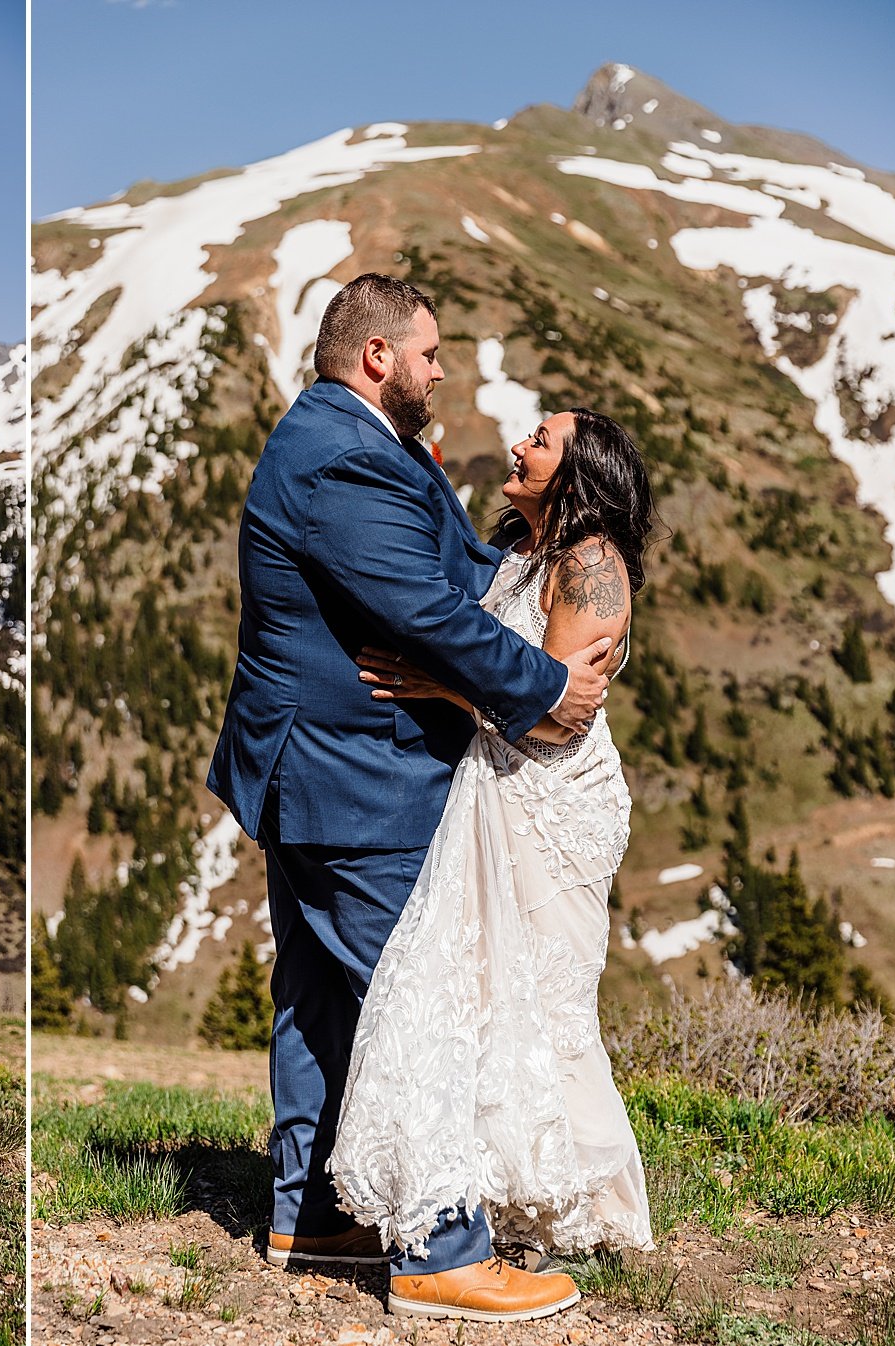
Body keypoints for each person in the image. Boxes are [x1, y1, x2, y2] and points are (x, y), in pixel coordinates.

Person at [206, 275, 612, 1321]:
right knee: (410, 991)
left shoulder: (351, 440)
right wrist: (547, 685)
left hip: (315, 766)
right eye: (430, 354)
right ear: (378, 355)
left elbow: (450, 567)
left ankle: (312, 1209)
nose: (442, 373)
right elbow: (424, 609)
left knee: (318, 995)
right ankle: (440, 1249)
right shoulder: (341, 453)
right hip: (353, 772)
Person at [333, 408, 656, 1262]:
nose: (520, 444)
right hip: (496, 789)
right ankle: (495, 1193)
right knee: (486, 991)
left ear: (580, 472)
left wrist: (441, 690)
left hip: (555, 804)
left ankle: (571, 1208)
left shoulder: (592, 568)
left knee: (548, 999)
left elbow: (553, 722)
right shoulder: (526, 555)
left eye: (542, 441)